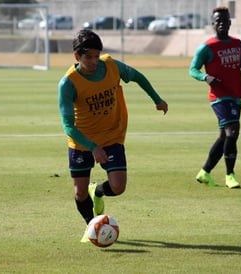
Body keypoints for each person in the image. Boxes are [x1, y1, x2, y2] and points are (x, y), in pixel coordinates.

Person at [58, 29, 168, 242]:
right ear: (77, 57)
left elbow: (137, 76)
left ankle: (97, 191)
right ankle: (93, 226)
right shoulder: (68, 84)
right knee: (79, 193)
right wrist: (92, 147)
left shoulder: (111, 66)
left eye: (96, 56)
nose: (93, 61)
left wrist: (157, 99)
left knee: (118, 187)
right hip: (82, 142)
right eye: (87, 57)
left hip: (111, 135)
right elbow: (68, 126)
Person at [189, 6, 241, 189]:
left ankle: (204, 172)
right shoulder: (207, 47)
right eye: (218, 21)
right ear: (212, 23)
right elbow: (192, 69)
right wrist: (205, 77)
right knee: (233, 131)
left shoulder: (237, 44)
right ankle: (230, 175)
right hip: (219, 97)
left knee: (224, 136)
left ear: (230, 23)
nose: (221, 24)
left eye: (225, 20)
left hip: (235, 95)